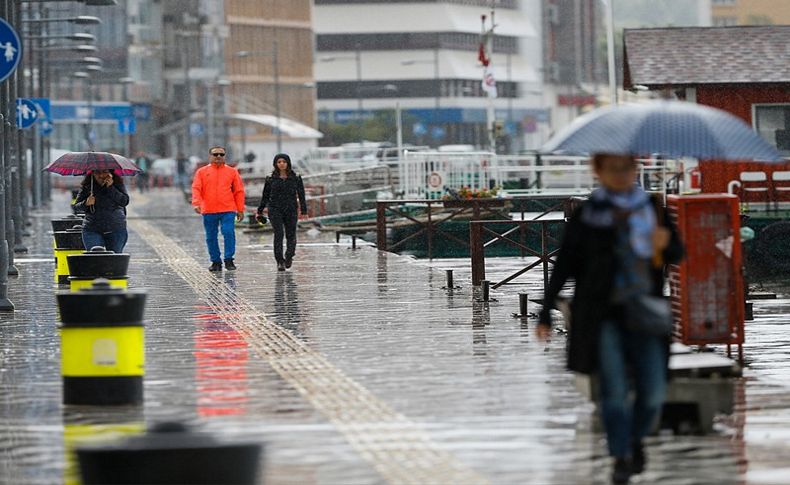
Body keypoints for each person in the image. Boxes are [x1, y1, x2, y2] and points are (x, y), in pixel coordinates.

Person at [537, 153, 684, 485]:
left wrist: (667, 245)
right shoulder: (588, 215)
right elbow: (564, 266)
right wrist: (545, 311)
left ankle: (635, 440)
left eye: (626, 168)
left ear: (635, 170)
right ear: (598, 172)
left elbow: (675, 253)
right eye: (611, 169)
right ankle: (620, 455)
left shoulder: (653, 208)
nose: (620, 175)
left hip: (646, 310)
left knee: (653, 392)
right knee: (613, 390)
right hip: (601, 315)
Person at [192, 145, 245, 272]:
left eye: (221, 154)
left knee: (228, 232)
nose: (218, 157)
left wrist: (240, 209)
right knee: (211, 236)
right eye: (215, 154)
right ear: (210, 156)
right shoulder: (201, 172)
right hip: (208, 209)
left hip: (228, 209)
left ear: (225, 156)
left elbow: (238, 191)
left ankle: (229, 259)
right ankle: (215, 261)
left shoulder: (232, 172)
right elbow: (196, 188)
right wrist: (196, 203)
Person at [256, 153, 307, 271]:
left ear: (288, 163)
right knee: (278, 234)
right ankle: (279, 261)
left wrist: (304, 210)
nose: (282, 164)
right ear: (275, 164)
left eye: (284, 162)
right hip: (275, 209)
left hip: (291, 209)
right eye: (279, 162)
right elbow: (265, 195)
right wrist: (260, 209)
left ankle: (289, 256)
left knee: (291, 234)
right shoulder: (270, 178)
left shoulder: (296, 177)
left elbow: (301, 194)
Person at [72, 169, 130, 254]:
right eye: (97, 172)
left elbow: (124, 201)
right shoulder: (87, 186)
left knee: (114, 261)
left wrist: (111, 187)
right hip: (92, 228)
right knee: (94, 258)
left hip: (116, 228)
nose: (101, 175)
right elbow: (76, 207)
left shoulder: (117, 183)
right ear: (92, 173)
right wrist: (86, 203)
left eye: (105, 172)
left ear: (110, 173)